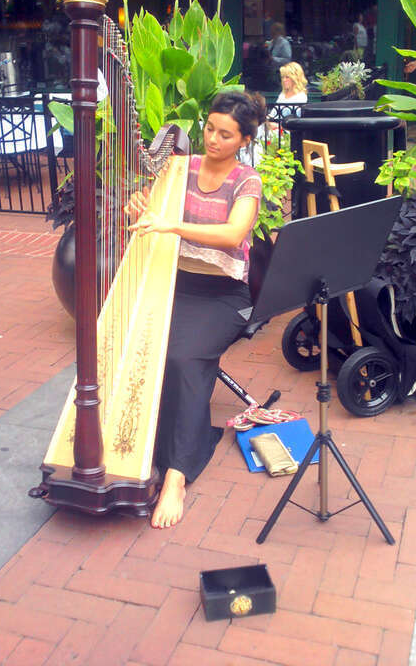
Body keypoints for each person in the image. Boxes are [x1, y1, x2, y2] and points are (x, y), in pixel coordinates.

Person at [124, 91, 265, 528]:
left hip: (223, 294)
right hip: (171, 281)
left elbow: (232, 234)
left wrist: (171, 224)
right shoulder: (178, 170)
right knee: (137, 345)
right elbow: (151, 212)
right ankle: (140, 441)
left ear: (243, 139)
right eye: (209, 129)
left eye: (226, 134)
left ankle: (176, 476)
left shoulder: (247, 181)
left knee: (184, 358)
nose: (213, 140)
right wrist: (140, 205)